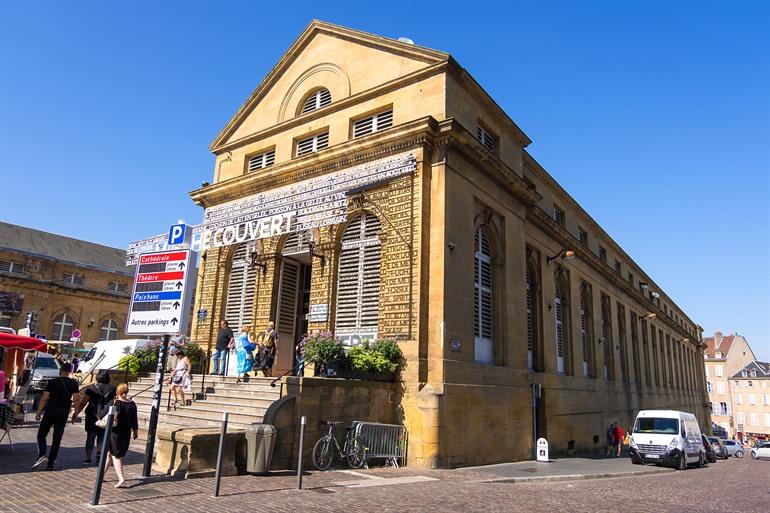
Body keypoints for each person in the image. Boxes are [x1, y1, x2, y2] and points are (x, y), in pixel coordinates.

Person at [33, 362, 80, 471]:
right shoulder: (73, 383)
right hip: (63, 412)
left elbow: (44, 398)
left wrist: (38, 412)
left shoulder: (52, 382)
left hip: (51, 411)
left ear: (60, 370)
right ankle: (51, 463)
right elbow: (76, 399)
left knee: (41, 434)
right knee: (57, 438)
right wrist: (76, 413)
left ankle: (42, 454)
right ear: (70, 372)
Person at [72, 371, 116, 464]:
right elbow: (114, 402)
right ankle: (99, 455)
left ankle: (88, 458)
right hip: (105, 415)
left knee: (90, 436)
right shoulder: (112, 389)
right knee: (102, 436)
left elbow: (83, 402)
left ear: (98, 378)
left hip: (92, 414)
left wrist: (76, 413)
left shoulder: (91, 388)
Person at [103, 383, 138, 488]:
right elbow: (134, 419)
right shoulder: (132, 404)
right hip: (126, 432)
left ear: (117, 391)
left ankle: (121, 479)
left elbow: (104, 414)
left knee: (115, 455)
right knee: (110, 453)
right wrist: (135, 430)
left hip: (115, 432)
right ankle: (101, 474)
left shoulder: (115, 403)